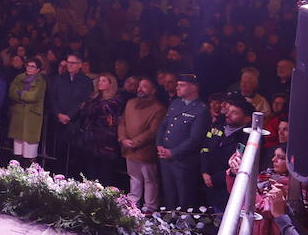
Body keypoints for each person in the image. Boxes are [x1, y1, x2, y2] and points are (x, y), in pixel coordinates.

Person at [156, 73, 209, 209]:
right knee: (169, 195)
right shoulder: (175, 103)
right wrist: (159, 145)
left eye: (182, 85)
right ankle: (167, 225)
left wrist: (173, 152)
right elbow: (163, 125)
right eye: (177, 85)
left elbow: (195, 139)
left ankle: (184, 227)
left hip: (183, 160)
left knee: (184, 197)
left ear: (193, 88)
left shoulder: (200, 109)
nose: (177, 88)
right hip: (165, 157)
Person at [118, 77, 166, 211]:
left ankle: (150, 207)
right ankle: (133, 202)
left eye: (144, 86)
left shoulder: (158, 108)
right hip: (129, 147)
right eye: (139, 85)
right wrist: (123, 139)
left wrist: (135, 142)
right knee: (134, 177)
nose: (140, 88)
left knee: (149, 179)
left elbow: (153, 130)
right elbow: (122, 122)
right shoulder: (130, 103)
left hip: (145, 150)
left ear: (153, 90)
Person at [200, 94, 253, 210]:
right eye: (228, 111)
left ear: (247, 119)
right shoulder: (217, 127)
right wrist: (204, 171)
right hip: (207, 182)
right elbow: (205, 148)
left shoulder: (248, 138)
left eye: (234, 113)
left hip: (228, 189)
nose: (227, 114)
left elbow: (240, 163)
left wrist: (215, 179)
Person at [74, 73, 124, 186]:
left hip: (105, 141)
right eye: (100, 80)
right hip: (90, 139)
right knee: (89, 169)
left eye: (104, 81)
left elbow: (101, 110)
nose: (100, 82)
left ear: (111, 84)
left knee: (104, 171)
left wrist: (89, 107)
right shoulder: (94, 96)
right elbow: (84, 109)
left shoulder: (116, 99)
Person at [46, 53, 92, 167]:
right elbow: (52, 98)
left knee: (73, 155)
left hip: (75, 123)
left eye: (73, 63)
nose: (69, 65)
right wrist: (58, 114)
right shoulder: (58, 79)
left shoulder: (86, 81)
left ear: (80, 65)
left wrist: (70, 116)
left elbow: (84, 101)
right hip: (58, 121)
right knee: (58, 153)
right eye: (68, 62)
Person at [7, 57, 47, 162]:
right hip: (18, 116)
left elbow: (34, 96)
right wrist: (23, 95)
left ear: (38, 69)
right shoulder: (19, 78)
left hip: (32, 117)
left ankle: (29, 172)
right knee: (18, 149)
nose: (29, 68)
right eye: (28, 66)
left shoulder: (41, 81)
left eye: (32, 66)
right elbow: (12, 92)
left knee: (29, 149)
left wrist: (21, 94)